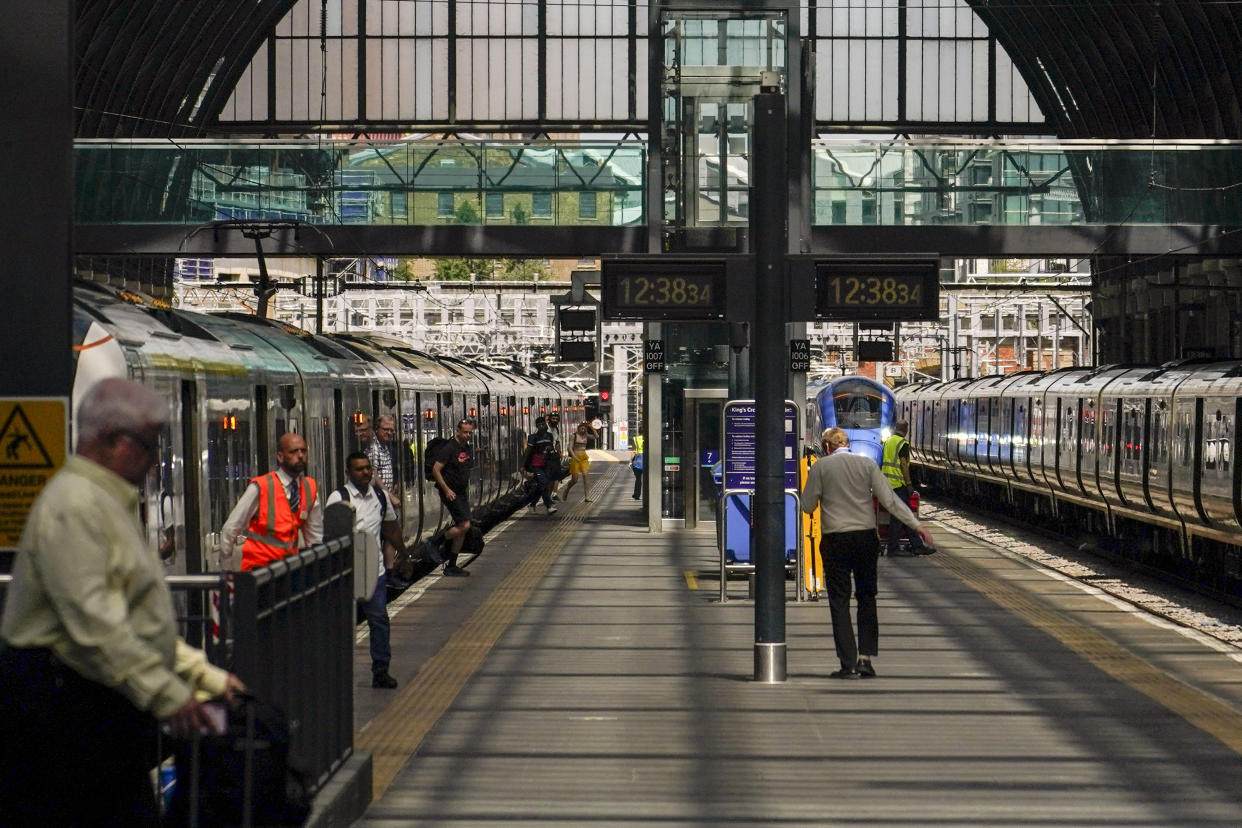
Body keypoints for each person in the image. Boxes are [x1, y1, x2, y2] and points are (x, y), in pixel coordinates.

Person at [0, 378, 244, 825]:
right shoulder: (75, 505)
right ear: (111, 438)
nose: (155, 461)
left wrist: (202, 675)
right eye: (149, 446)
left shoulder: (105, 503)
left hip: (90, 711)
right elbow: (94, 623)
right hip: (62, 717)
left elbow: (131, 620)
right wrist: (170, 695)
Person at [801, 427, 935, 680]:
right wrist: (917, 526)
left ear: (827, 447)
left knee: (839, 601)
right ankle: (865, 660)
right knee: (866, 597)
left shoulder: (821, 467)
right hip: (865, 538)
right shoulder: (867, 465)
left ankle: (847, 663)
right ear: (847, 444)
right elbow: (891, 501)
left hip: (835, 540)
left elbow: (807, 505)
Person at [327, 453, 404, 689]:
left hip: (374, 570)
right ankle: (337, 672)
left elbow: (390, 528)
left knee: (379, 619)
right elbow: (329, 536)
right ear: (348, 473)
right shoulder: (338, 498)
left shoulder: (379, 496)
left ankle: (381, 670)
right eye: (359, 469)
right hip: (345, 572)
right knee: (340, 625)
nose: (366, 472)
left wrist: (406, 555)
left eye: (368, 468)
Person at [220, 432, 324, 571]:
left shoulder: (309, 488)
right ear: (280, 457)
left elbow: (314, 536)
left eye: (303, 451)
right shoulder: (261, 486)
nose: (300, 456)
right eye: (293, 452)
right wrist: (227, 572)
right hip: (259, 570)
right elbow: (230, 529)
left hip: (289, 569)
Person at [427, 418, 475, 576]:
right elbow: (436, 469)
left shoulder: (466, 447)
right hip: (451, 492)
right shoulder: (449, 447)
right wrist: (446, 489)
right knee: (465, 525)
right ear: (458, 431)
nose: (468, 435)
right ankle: (436, 542)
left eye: (470, 432)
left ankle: (452, 565)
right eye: (465, 432)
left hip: (460, 492)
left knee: (462, 528)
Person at [880, 419, 930, 556]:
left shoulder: (888, 442)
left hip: (887, 483)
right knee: (902, 516)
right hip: (898, 485)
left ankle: (915, 545)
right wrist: (909, 484)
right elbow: (903, 465)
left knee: (903, 515)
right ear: (906, 430)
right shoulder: (903, 444)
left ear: (895, 428)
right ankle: (894, 548)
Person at [522, 416, 558, 514]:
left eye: (543, 424)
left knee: (541, 486)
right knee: (543, 483)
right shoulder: (533, 437)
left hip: (547, 464)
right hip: (536, 464)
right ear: (537, 427)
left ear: (546, 425)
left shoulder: (549, 436)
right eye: (539, 425)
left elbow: (551, 449)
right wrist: (523, 465)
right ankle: (549, 506)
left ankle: (532, 504)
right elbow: (528, 451)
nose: (542, 426)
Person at [559, 421, 598, 502]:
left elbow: (596, 436)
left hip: (583, 458)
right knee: (575, 480)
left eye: (585, 428)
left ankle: (587, 497)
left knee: (585, 476)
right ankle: (567, 489)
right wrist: (574, 457)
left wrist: (591, 428)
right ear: (578, 428)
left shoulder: (586, 435)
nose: (583, 430)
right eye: (582, 428)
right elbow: (570, 448)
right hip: (575, 458)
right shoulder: (573, 436)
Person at [630, 433, 645, 500]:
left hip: (638, 462)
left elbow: (634, 452)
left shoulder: (636, 439)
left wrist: (630, 462)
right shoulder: (651, 437)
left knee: (638, 480)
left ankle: (636, 495)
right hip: (647, 461)